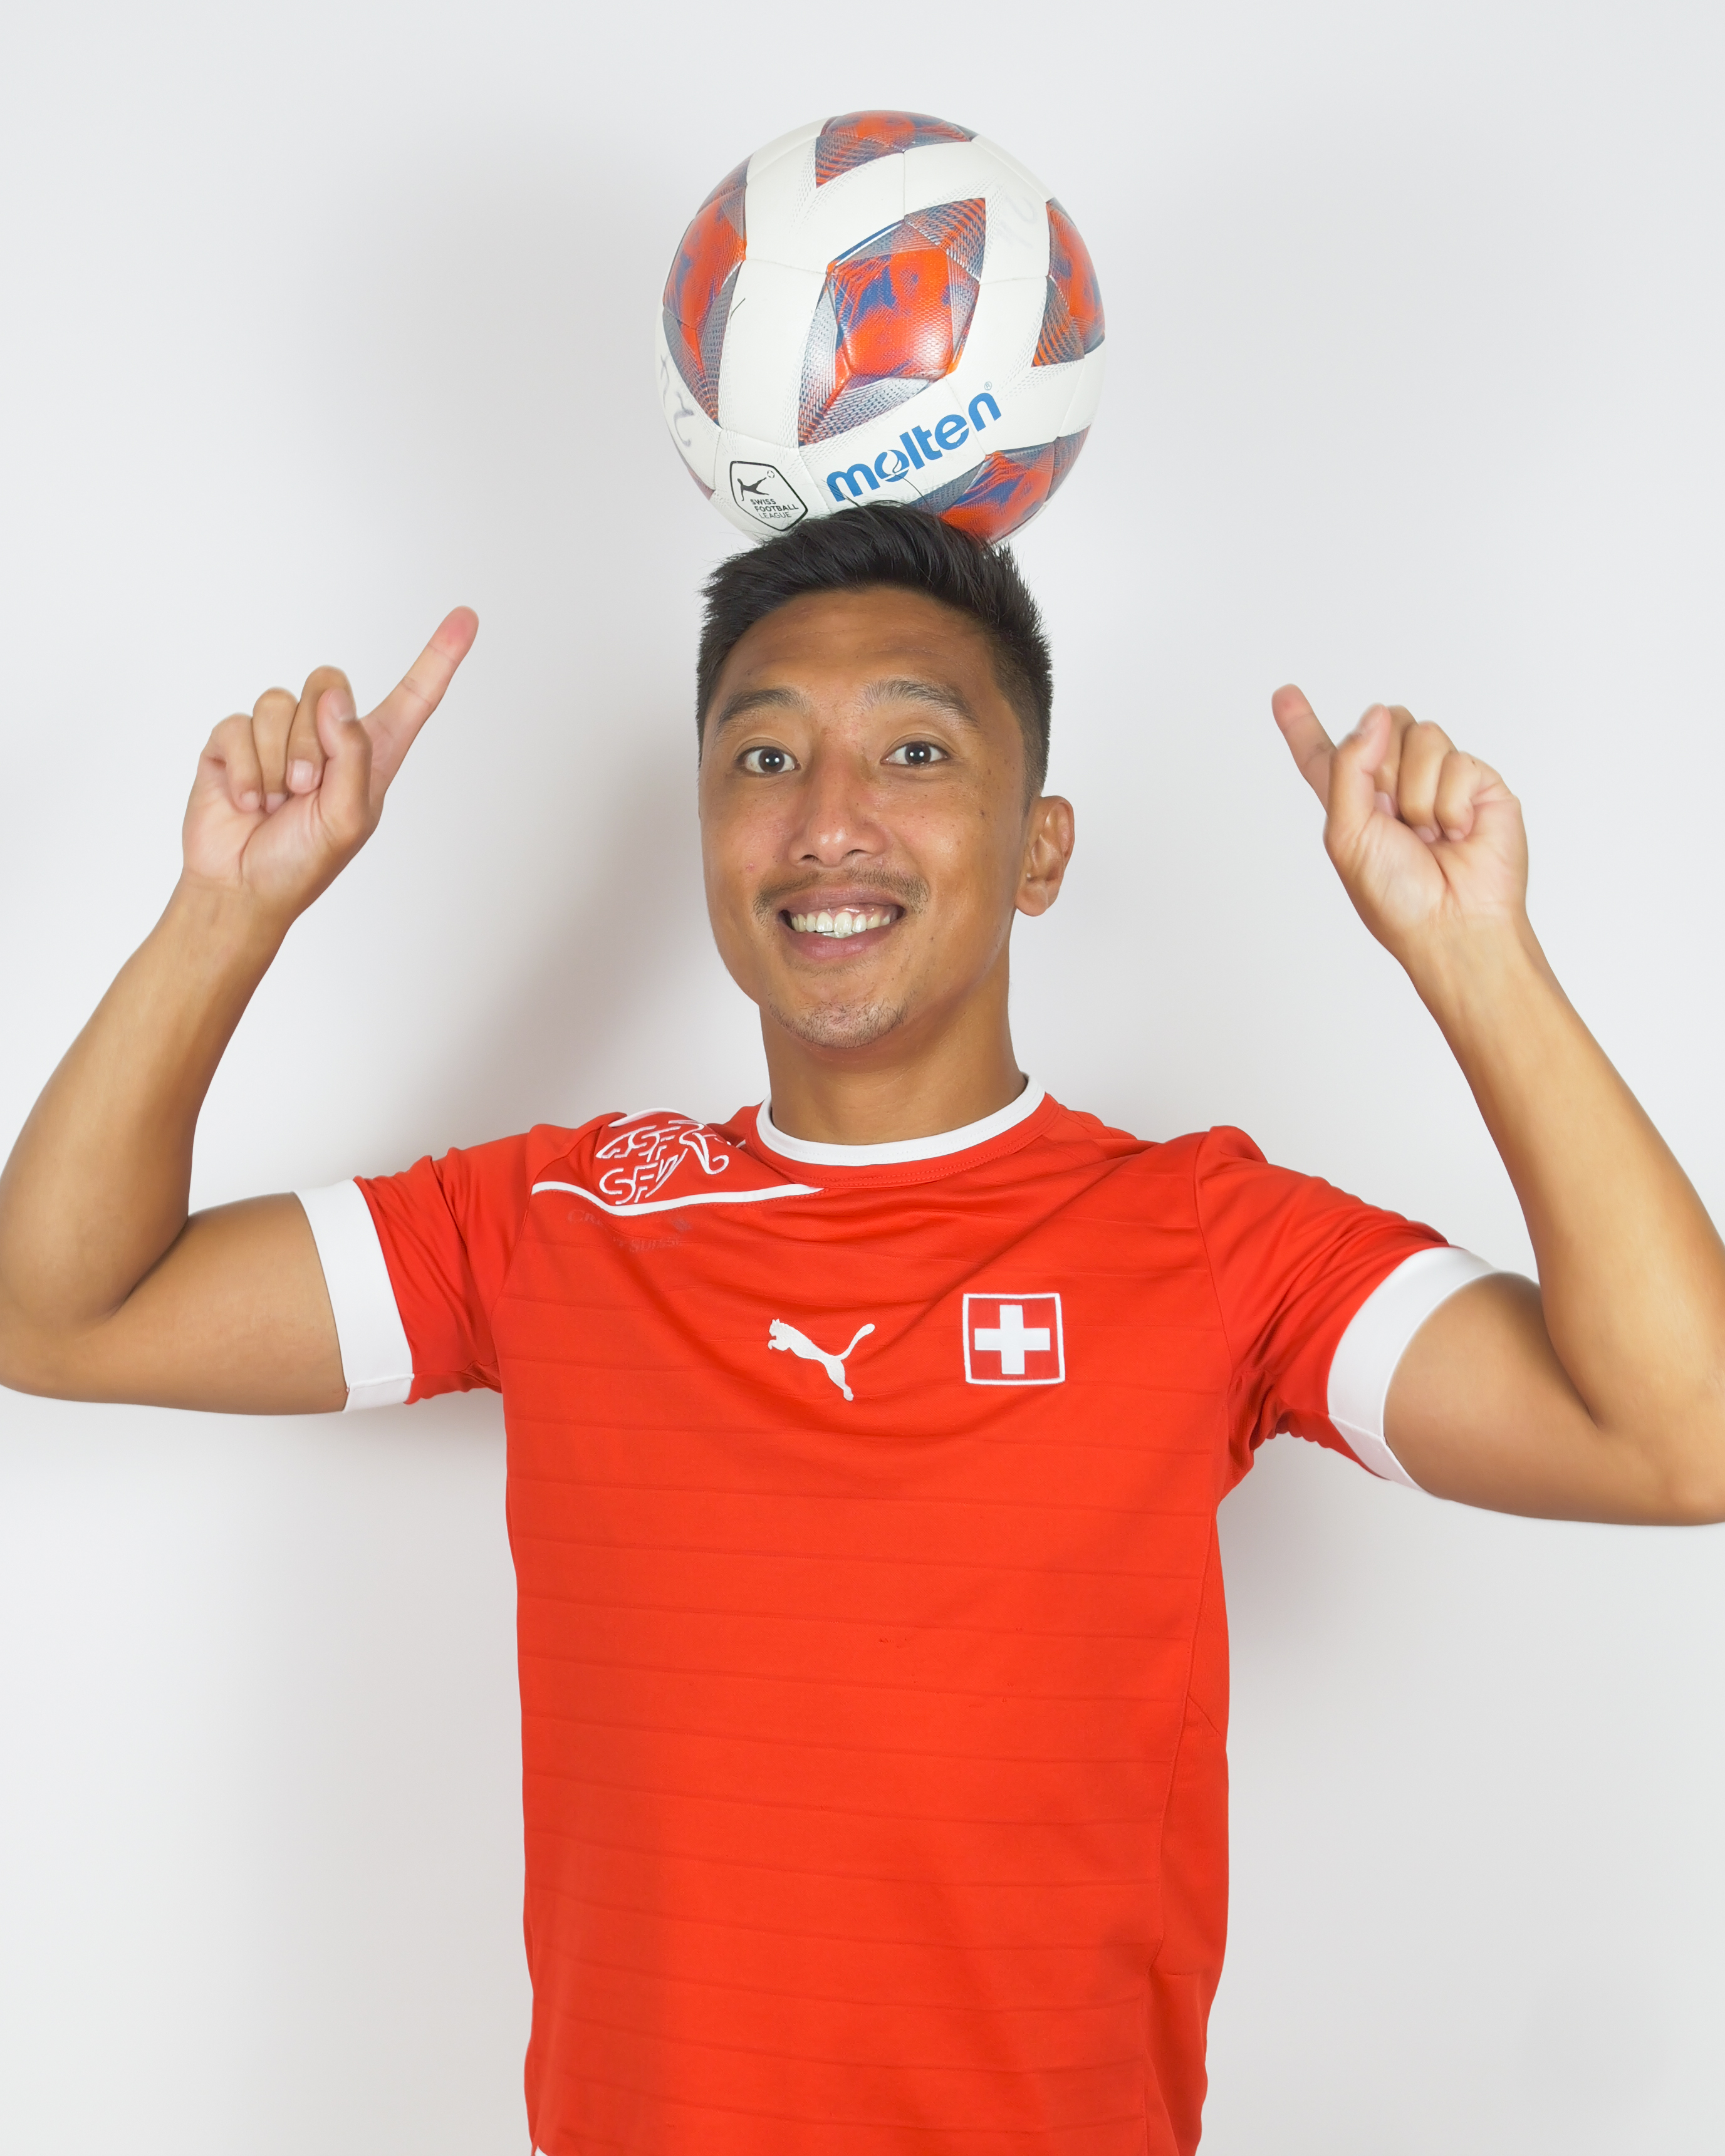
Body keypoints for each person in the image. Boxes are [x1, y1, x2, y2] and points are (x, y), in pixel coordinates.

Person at [1, 503, 1721, 2155]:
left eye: (913, 750)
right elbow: (59, 1311)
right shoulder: (562, 1220)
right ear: (702, 835)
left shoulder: (1206, 1238)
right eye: (763, 758)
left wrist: (1472, 955)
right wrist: (228, 910)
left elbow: (1684, 1438)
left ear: (1040, 848)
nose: (828, 821)